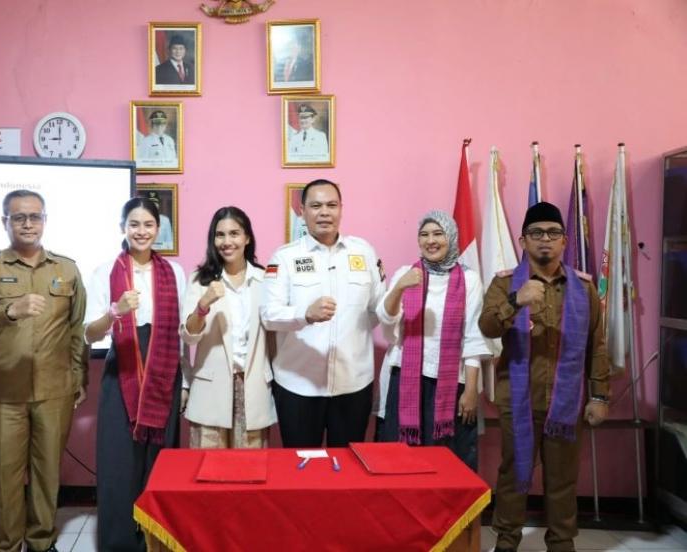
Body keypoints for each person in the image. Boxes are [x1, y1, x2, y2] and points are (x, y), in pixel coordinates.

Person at [0, 190, 88, 552]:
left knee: (48, 476)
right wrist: (7, 312)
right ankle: (9, 545)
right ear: (5, 222)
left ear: (45, 220)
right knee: (5, 478)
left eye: (35, 216)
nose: (28, 223)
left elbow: (76, 330)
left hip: (54, 391)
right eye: (19, 217)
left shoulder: (67, 269)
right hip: (2, 394)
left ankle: (42, 544)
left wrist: (79, 377)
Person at [479, 201, 610, 552]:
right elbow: (487, 327)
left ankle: (562, 543)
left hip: (566, 402)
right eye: (536, 233)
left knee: (563, 479)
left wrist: (599, 396)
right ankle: (506, 541)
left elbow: (596, 345)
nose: (545, 240)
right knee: (513, 474)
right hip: (517, 399)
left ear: (565, 241)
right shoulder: (505, 283)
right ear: (523, 241)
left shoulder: (583, 289)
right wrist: (515, 301)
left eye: (553, 233)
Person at [84, 196, 186, 552]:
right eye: (134, 225)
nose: (141, 232)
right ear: (123, 229)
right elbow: (89, 334)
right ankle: (120, 544)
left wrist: (183, 383)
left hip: (164, 369)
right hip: (123, 368)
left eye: (148, 225)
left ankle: (155, 541)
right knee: (119, 463)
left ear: (158, 229)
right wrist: (115, 311)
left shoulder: (174, 272)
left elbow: (183, 331)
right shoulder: (104, 272)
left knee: (158, 462)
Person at [261, 179, 385, 447]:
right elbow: (269, 315)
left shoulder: (363, 253)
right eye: (315, 205)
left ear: (341, 209)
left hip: (353, 383)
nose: (324, 212)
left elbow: (378, 310)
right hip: (298, 384)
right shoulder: (284, 258)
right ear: (302, 211)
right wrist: (305, 314)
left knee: (349, 469)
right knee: (302, 471)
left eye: (331, 205)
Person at [375, 211, 490, 470]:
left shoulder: (468, 279)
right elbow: (386, 318)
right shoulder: (407, 274)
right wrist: (399, 287)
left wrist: (471, 390)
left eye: (438, 234)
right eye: (424, 235)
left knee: (447, 458)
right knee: (401, 456)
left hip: (451, 382)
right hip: (405, 378)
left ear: (451, 237)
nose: (431, 241)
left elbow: (473, 335)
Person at [181, 206, 276, 448]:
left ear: (247, 238)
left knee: (250, 473)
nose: (227, 241)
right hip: (210, 390)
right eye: (219, 234)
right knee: (207, 472)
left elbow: (275, 337)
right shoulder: (200, 280)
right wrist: (203, 305)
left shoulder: (265, 280)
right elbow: (189, 336)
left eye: (234, 233)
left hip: (253, 389)